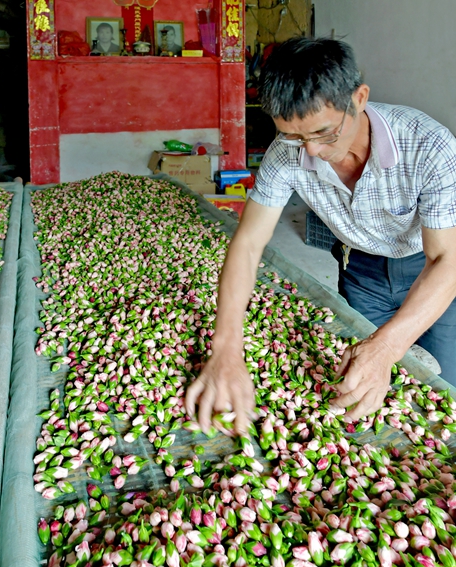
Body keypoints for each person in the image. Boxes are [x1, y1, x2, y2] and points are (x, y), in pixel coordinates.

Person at [185, 36, 456, 435]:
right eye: (295, 137)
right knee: (361, 393)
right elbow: (247, 245)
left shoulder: (429, 147)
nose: (310, 151)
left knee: (440, 389)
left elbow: (445, 260)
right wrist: (226, 347)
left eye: (325, 133)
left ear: (359, 98)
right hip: (360, 267)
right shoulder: (285, 153)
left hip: (428, 269)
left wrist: (386, 347)